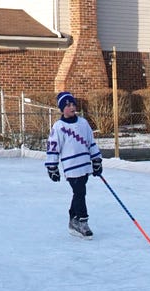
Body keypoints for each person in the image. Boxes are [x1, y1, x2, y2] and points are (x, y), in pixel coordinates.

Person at [46, 91, 103, 239]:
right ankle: (82, 221)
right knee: (80, 192)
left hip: (84, 165)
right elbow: (53, 147)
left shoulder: (83, 123)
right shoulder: (59, 127)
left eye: (73, 104)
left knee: (79, 192)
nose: (72, 107)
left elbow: (91, 142)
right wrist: (52, 166)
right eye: (68, 105)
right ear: (61, 109)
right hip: (71, 167)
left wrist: (96, 160)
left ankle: (73, 219)